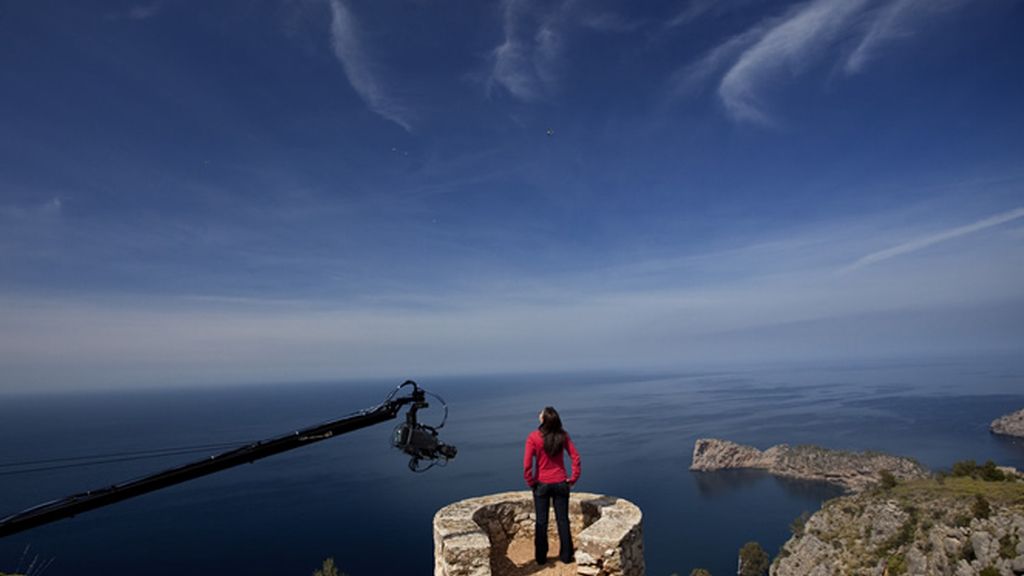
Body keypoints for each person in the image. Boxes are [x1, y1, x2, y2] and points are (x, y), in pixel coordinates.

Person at [523, 406, 581, 565]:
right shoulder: (563, 436)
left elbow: (527, 464)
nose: (539, 414)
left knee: (541, 521)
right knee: (562, 520)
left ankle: (541, 557)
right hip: (561, 483)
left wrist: (531, 482)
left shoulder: (533, 437)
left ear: (544, 419)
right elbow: (575, 458)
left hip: (541, 484)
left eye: (541, 413)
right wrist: (573, 479)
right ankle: (566, 556)